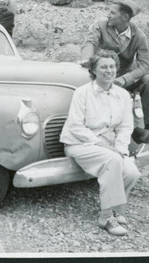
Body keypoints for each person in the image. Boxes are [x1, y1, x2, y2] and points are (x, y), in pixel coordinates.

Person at [60, 50, 140, 236]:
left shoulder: (123, 95)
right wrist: (103, 145)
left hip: (110, 146)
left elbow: (125, 127)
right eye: (103, 67)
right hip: (79, 144)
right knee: (113, 160)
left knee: (133, 171)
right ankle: (105, 217)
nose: (108, 70)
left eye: (112, 66)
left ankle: (116, 209)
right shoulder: (82, 93)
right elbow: (75, 127)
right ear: (94, 71)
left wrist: (121, 149)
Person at [80, 0, 149, 144]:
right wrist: (87, 59)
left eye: (112, 13)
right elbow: (90, 42)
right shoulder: (101, 25)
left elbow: (145, 65)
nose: (108, 15)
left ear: (124, 18)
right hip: (100, 73)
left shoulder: (139, 36)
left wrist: (124, 80)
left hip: (123, 77)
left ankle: (144, 128)